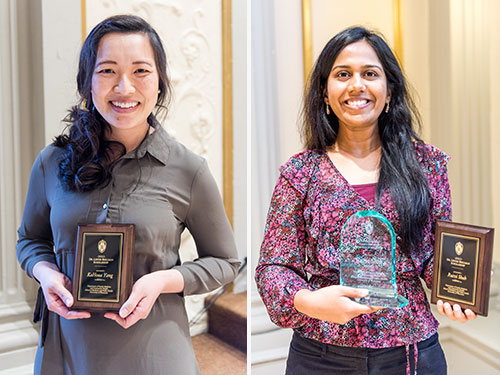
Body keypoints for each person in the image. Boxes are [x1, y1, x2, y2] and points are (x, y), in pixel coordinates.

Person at [17, 15, 240, 375]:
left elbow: (226, 262)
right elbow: (30, 239)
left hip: (155, 352)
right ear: (87, 81)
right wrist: (45, 273)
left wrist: (162, 281)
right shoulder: (51, 161)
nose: (124, 87)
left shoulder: (188, 169)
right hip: (68, 351)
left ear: (159, 81)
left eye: (140, 71)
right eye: (107, 71)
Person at [255, 26, 476, 375]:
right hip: (319, 353)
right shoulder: (299, 173)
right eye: (343, 74)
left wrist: (461, 287)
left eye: (370, 74)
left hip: (412, 352)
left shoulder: (427, 165)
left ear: (389, 92)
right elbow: (274, 268)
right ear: (325, 95)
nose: (356, 85)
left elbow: (434, 253)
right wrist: (310, 301)